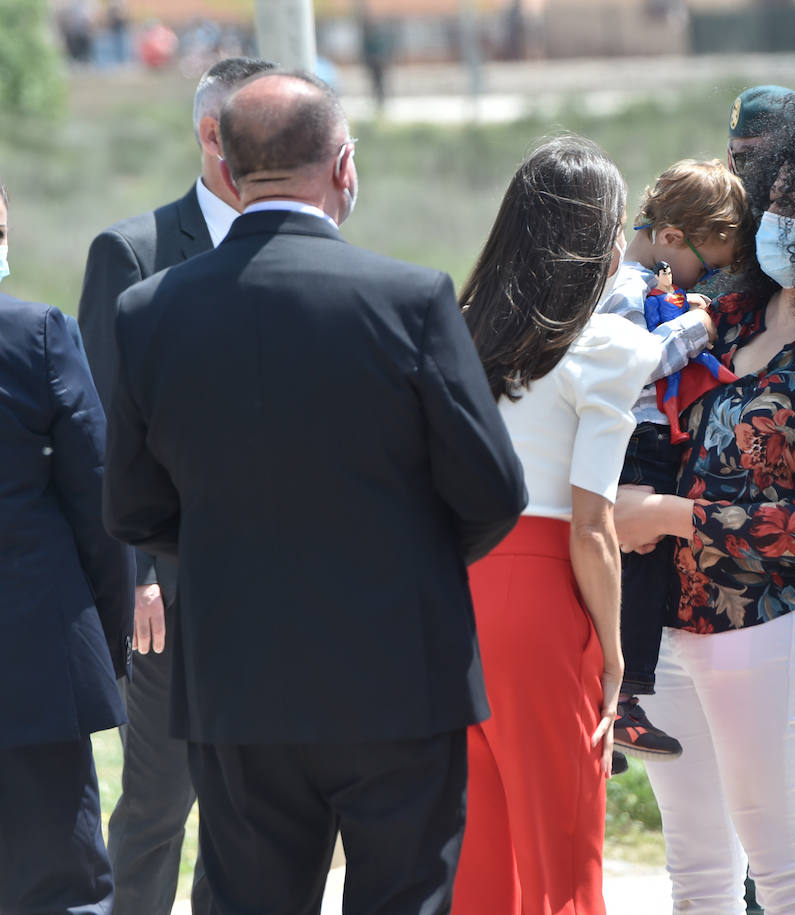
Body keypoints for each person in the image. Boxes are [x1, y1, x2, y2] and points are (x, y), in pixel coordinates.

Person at [102, 71, 527, 913]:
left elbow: (132, 507)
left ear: (229, 172)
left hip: (236, 679)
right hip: (399, 674)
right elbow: (492, 489)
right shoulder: (411, 299)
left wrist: (237, 554)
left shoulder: (149, 311)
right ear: (342, 165)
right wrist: (407, 562)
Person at [613, 89, 795, 914]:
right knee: (696, 870)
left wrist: (664, 515)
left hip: (772, 620)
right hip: (671, 619)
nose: (775, 220)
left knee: (782, 867)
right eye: (774, 201)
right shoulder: (732, 312)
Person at [74, 54, 276, 915]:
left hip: (275, 582)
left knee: (253, 808)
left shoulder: (299, 243)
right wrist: (141, 570)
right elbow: (104, 429)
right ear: (211, 135)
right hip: (171, 586)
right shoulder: (135, 253)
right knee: (160, 803)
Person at [450, 135, 659, 915]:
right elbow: (592, 525)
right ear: (603, 242)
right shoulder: (608, 347)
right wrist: (613, 654)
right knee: (562, 861)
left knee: (480, 862)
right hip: (541, 598)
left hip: (455, 595)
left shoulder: (457, 328)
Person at [0, 173, 133, 915]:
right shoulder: (36, 335)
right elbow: (99, 497)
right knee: (60, 888)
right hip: (31, 663)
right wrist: (104, 642)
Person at [597, 158, 747, 765]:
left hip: (647, 440)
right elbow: (631, 365)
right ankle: (622, 700)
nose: (708, 279)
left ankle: (613, 701)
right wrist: (696, 327)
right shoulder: (627, 289)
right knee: (640, 563)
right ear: (669, 237)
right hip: (638, 442)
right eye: (705, 266)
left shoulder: (640, 284)